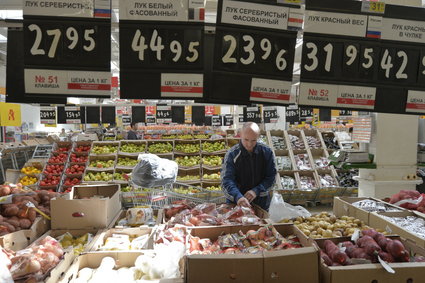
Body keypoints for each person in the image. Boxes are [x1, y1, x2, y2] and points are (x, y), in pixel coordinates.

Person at [221, 122, 277, 211]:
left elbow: (271, 178)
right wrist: (238, 196)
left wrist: (256, 190)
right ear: (240, 135)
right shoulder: (232, 154)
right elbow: (227, 180)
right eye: (246, 139)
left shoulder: (267, 152)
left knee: (261, 224)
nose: (249, 144)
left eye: (253, 140)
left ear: (258, 137)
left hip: (261, 204)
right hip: (236, 204)